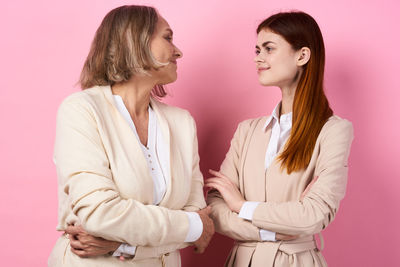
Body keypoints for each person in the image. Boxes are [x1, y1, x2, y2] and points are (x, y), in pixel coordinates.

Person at [48, 5, 214, 267]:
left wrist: (122, 243)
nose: (178, 50)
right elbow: (100, 214)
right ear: (134, 41)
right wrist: (191, 226)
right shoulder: (82, 110)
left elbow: (198, 220)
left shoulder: (182, 123)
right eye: (167, 38)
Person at [206, 11, 353, 267]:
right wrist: (270, 231)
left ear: (302, 55)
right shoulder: (246, 131)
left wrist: (241, 205)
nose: (258, 59)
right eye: (257, 50)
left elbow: (312, 215)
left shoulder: (333, 131)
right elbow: (215, 209)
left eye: (269, 48)